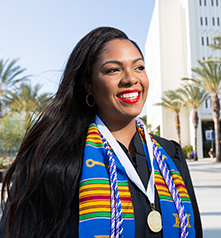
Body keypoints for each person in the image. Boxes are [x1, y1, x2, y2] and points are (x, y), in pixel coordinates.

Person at [0, 27, 202, 238]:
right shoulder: (54, 162)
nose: (131, 79)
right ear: (88, 85)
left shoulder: (171, 156)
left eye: (139, 67)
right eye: (113, 70)